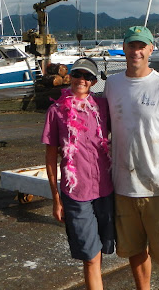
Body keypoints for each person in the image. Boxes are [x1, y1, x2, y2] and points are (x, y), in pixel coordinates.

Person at [104, 26, 159, 290]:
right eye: (132, 45)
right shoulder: (112, 84)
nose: (136, 51)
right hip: (123, 188)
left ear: (151, 49)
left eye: (142, 46)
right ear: (124, 47)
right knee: (135, 251)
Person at [42, 57, 114, 290]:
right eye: (77, 75)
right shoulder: (56, 111)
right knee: (90, 255)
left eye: (87, 77)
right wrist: (55, 198)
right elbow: (51, 157)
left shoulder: (103, 107)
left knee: (104, 248)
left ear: (94, 82)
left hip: (105, 189)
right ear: (70, 77)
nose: (81, 80)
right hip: (76, 193)